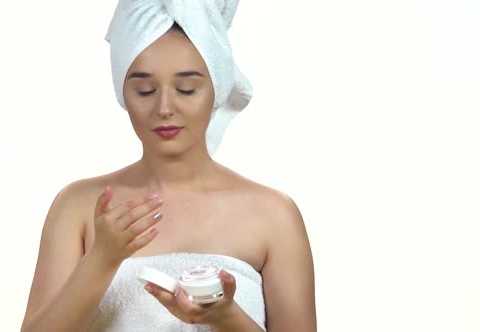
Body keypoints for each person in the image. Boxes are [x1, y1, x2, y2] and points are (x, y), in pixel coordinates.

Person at [20, 1, 316, 331]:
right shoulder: (79, 206)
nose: (164, 107)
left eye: (186, 89)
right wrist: (101, 261)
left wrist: (227, 317)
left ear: (216, 90)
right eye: (144, 90)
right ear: (123, 93)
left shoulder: (273, 215)